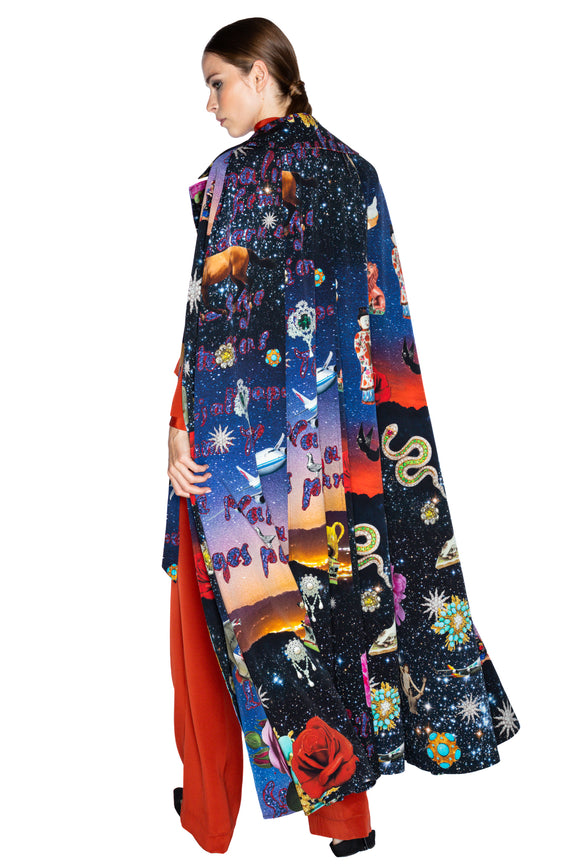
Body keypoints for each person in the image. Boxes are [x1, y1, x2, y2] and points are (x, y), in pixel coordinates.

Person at [162, 16, 520, 858]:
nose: (210, 104)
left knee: (220, 617)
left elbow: (212, 326)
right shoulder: (357, 172)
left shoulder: (234, 180)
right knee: (334, 615)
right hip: (343, 453)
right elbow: (384, 326)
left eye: (217, 83)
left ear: (260, 75)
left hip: (240, 453)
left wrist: (178, 428)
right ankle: (346, 826)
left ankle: (207, 812)